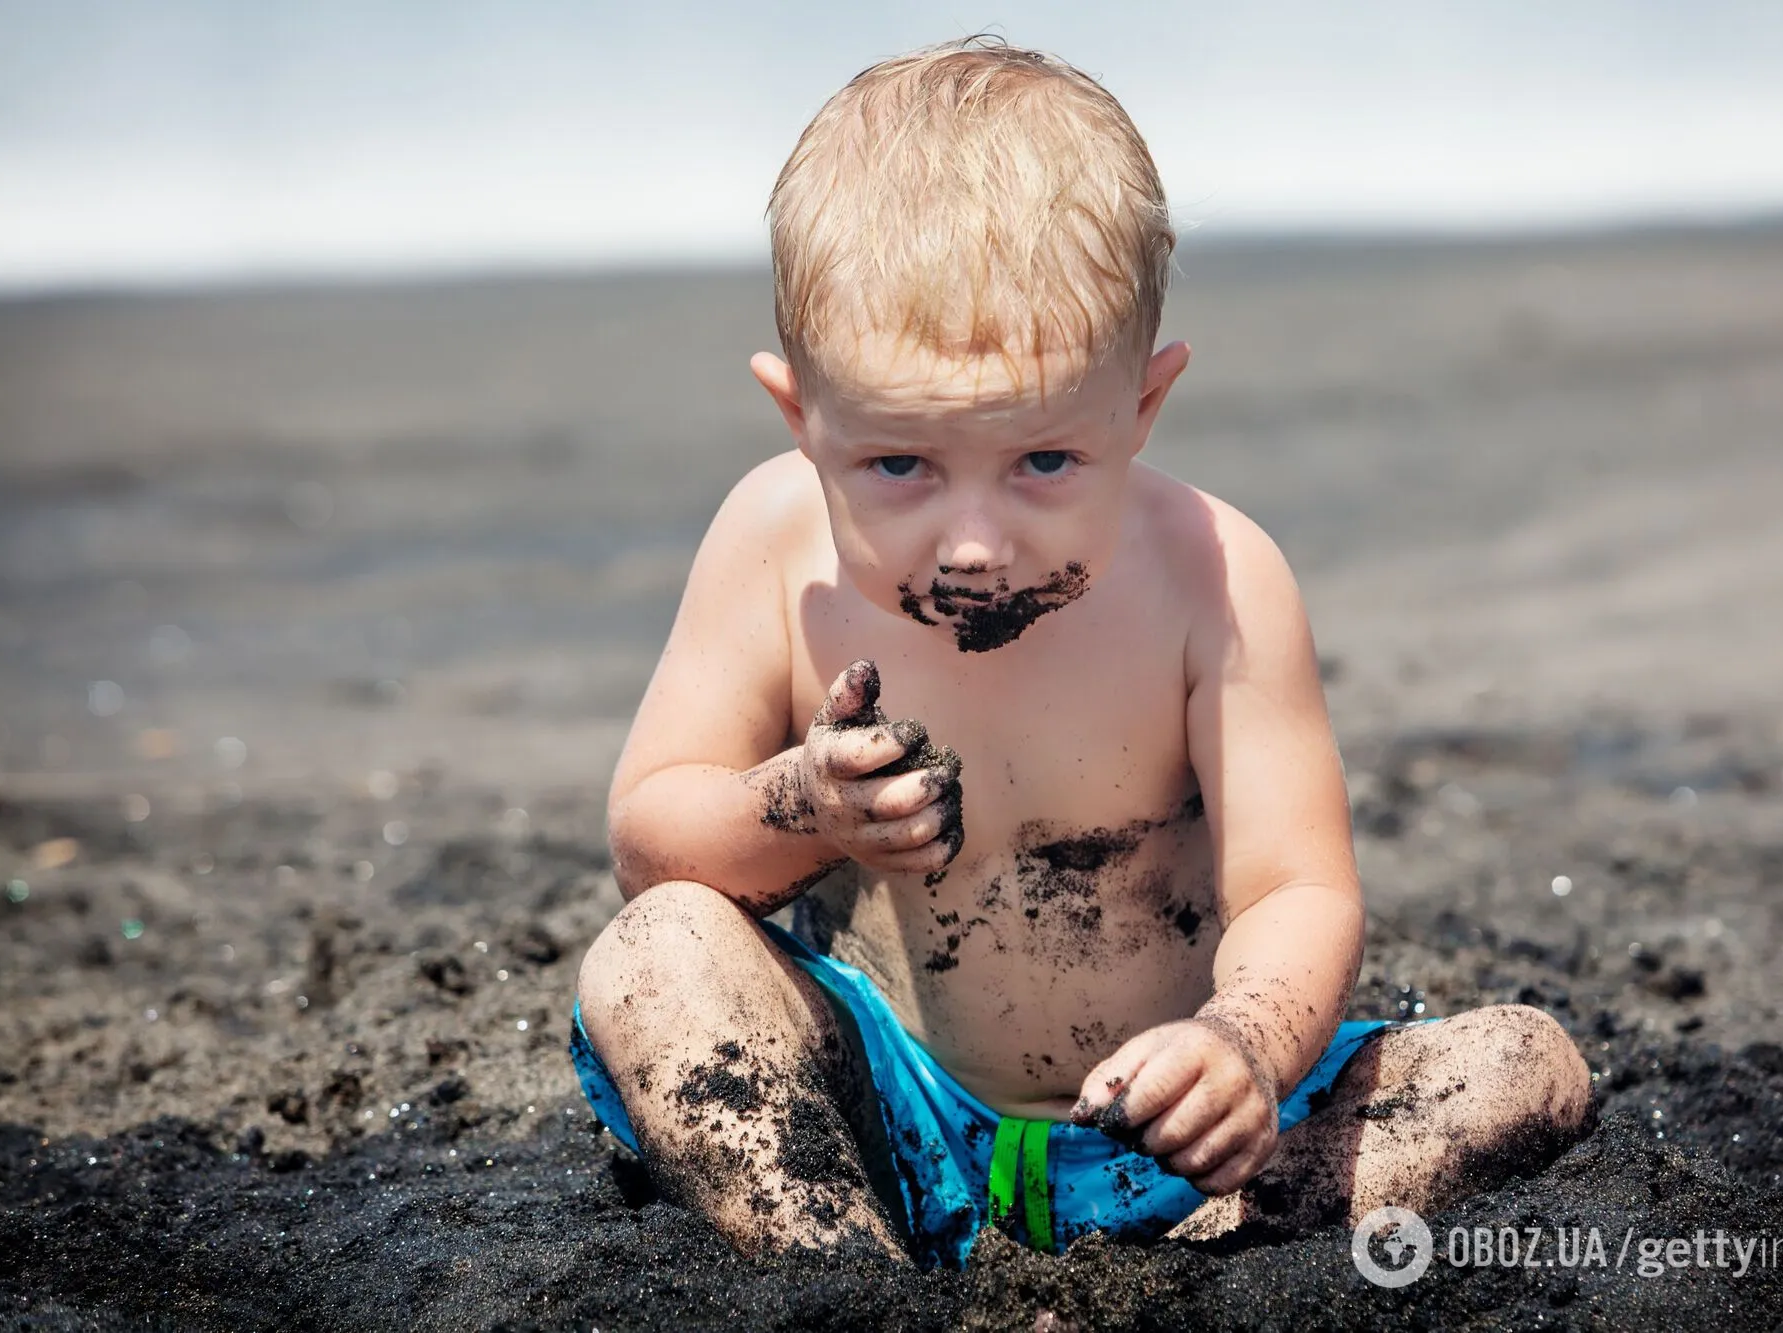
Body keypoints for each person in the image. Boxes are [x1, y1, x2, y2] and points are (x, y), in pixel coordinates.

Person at [571, 38, 1590, 1268]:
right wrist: (802, 804)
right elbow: (652, 853)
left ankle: (1191, 1264)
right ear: (803, 419)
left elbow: (1295, 889)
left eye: (1045, 463)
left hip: (1169, 1140)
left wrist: (1244, 1047)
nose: (974, 542)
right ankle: (839, 1273)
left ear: (1143, 406)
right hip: (889, 1109)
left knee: (1524, 1064)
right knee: (652, 957)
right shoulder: (772, 546)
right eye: (897, 465)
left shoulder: (1214, 576)